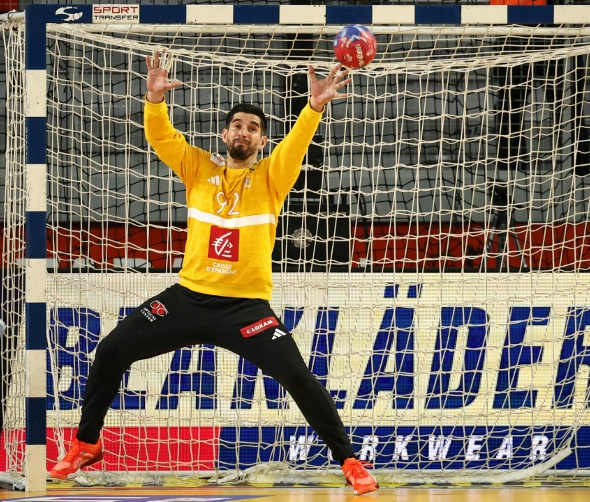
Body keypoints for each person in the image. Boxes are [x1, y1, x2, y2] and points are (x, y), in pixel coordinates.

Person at [49, 51, 379, 496]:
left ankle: (350, 461)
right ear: (225, 133)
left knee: (299, 378)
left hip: (245, 310)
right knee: (111, 350)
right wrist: (153, 99)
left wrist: (314, 107)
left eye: (254, 128)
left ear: (261, 142)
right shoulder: (199, 168)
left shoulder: (271, 178)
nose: (244, 132)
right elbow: (162, 138)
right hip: (187, 300)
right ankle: (87, 443)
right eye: (238, 125)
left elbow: (297, 142)